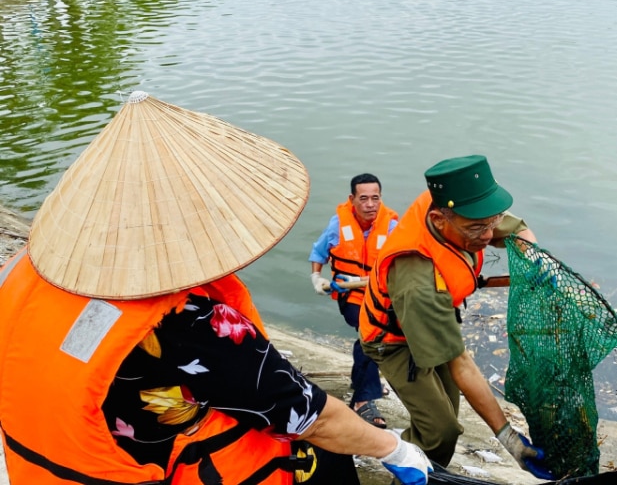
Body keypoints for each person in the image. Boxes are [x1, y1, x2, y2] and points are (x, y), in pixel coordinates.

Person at [0, 92, 431, 485]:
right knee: (325, 457)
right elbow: (309, 415)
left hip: (44, 462)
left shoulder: (22, 272)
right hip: (141, 469)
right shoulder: (189, 322)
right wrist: (395, 448)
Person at [359, 155, 553, 479]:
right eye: (478, 227)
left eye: (492, 220)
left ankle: (425, 470)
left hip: (433, 321)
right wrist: (510, 441)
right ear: (437, 220)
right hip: (393, 340)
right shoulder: (418, 283)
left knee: (446, 415)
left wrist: (534, 258)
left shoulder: (457, 205)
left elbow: (517, 229)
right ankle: (406, 473)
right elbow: (459, 362)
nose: (490, 235)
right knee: (440, 431)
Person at [308, 173, 398, 429]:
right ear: (352, 199)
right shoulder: (338, 224)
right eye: (364, 199)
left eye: (375, 198)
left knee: (384, 335)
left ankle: (365, 379)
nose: (370, 204)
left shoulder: (391, 227)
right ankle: (363, 400)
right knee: (370, 333)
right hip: (351, 293)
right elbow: (318, 252)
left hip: (380, 293)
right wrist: (316, 277)